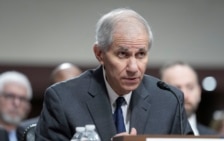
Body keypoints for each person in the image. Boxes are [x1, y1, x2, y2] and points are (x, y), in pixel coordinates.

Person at [35, 8, 193, 141]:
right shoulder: (63, 99)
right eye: (123, 54)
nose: (133, 67)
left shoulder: (169, 100)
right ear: (99, 54)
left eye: (141, 54)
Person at [16, 62, 82, 141]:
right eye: (62, 90)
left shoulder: (92, 126)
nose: (69, 95)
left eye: (75, 88)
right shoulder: (30, 130)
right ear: (50, 92)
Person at [160, 61, 217, 135]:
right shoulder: (147, 134)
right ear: (161, 93)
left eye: (190, 87)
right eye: (176, 88)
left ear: (199, 92)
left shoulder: (215, 137)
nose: (185, 95)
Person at [0, 71, 32, 141]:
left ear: (28, 106)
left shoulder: (35, 136)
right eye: (10, 96)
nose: (16, 103)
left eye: (22, 99)